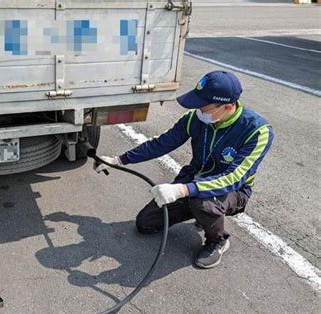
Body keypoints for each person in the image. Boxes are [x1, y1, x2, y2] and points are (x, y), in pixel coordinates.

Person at [94, 71, 274, 269]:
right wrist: (118, 160)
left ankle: (218, 240)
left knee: (204, 204)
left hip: (232, 190)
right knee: (145, 223)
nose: (198, 110)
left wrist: (183, 190)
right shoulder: (195, 119)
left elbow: (233, 178)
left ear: (227, 107)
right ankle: (202, 214)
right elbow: (161, 144)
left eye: (203, 106)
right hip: (194, 179)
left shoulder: (257, 131)